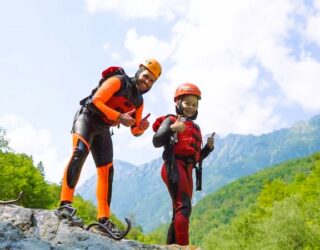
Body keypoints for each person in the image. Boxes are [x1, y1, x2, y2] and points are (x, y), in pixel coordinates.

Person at [56, 58, 162, 235]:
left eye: (152, 80)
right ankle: (64, 206)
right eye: (146, 76)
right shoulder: (118, 81)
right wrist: (119, 117)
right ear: (139, 71)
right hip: (87, 118)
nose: (147, 81)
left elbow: (134, 130)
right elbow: (96, 102)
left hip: (104, 128)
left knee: (107, 171)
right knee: (79, 152)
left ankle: (103, 220)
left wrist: (141, 128)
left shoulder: (139, 101)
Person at [152, 83, 214, 246]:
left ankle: (172, 246)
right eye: (187, 103)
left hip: (187, 170)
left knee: (179, 210)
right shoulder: (172, 119)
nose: (191, 107)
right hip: (173, 166)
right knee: (184, 207)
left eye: (194, 104)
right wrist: (172, 128)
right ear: (178, 103)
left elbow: (196, 157)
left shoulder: (196, 127)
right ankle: (184, 247)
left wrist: (207, 148)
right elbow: (156, 141)